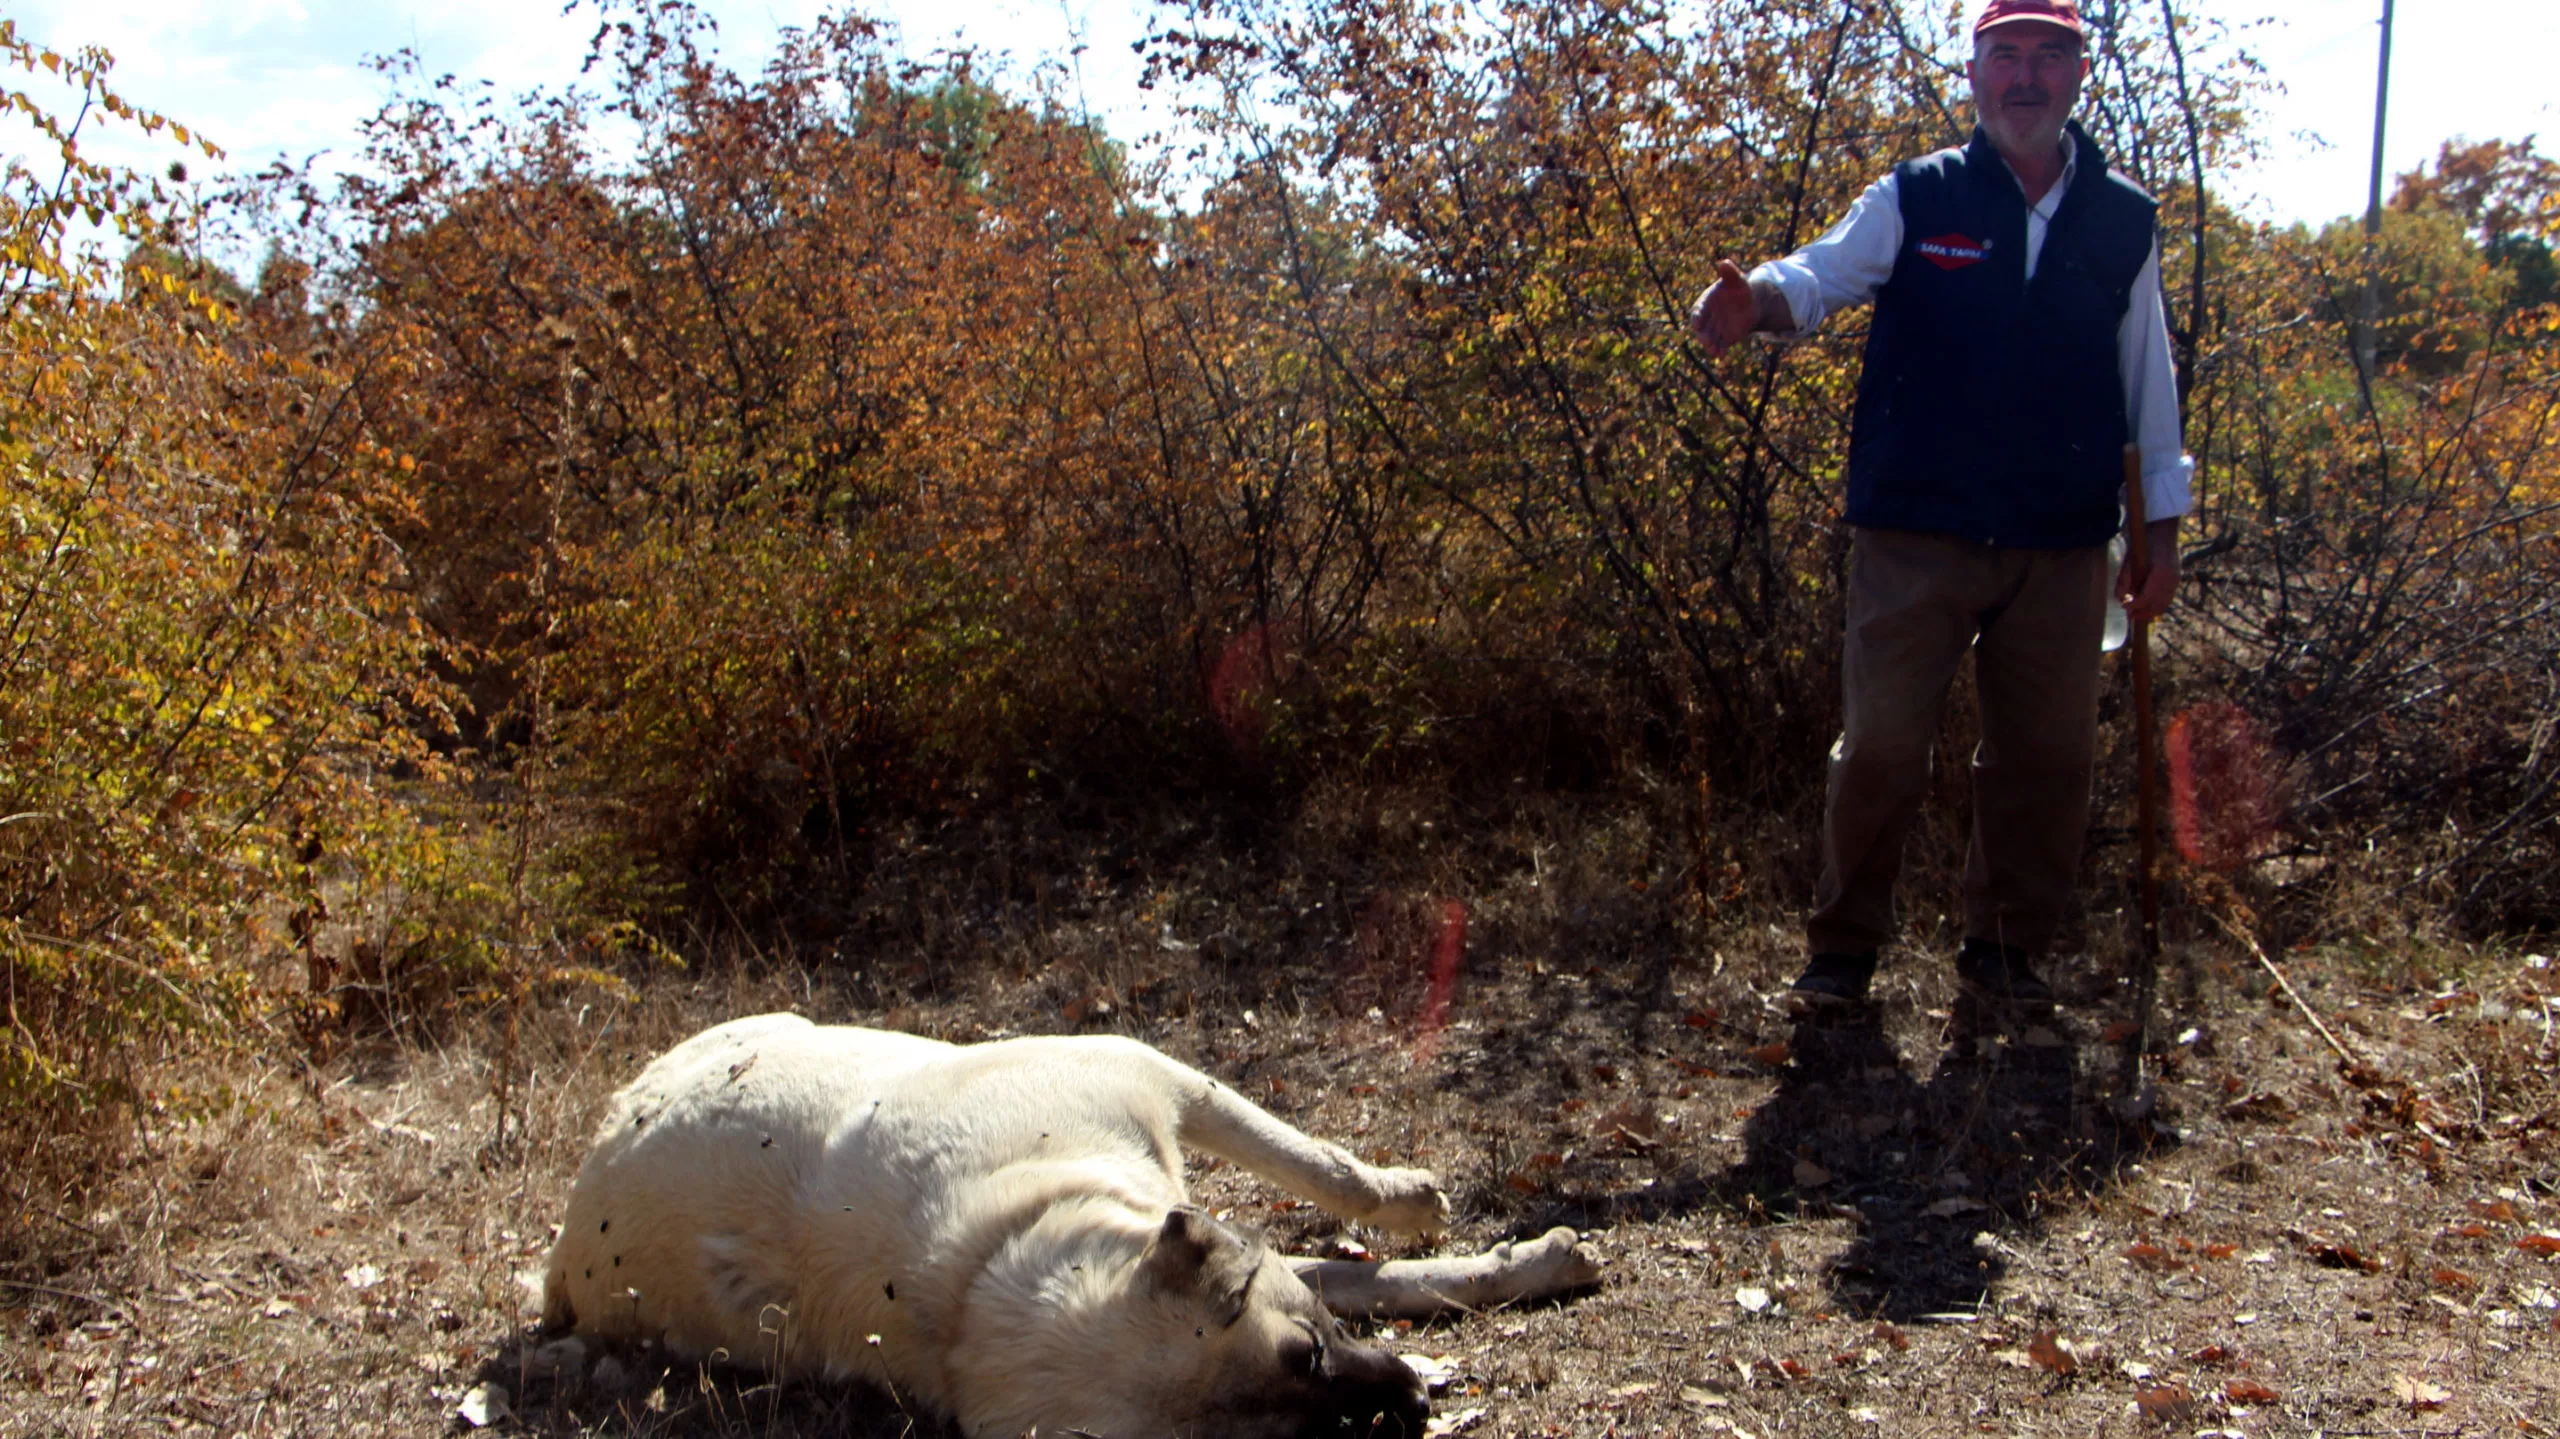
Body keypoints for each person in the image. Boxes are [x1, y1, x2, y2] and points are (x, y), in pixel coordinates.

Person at [1687, 0, 2189, 1017]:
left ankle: (2004, 953)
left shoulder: (2122, 219)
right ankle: (1841, 954)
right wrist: (1758, 303)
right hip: (1915, 529)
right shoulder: (1919, 194)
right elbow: (1821, 272)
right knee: (1878, 744)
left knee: (2044, 757)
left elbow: (2150, 384)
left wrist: (2160, 537)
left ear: (2077, 76)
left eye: (2048, 57)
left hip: (2060, 540)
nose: (2025, 78)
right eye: (2005, 55)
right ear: (1974, 73)